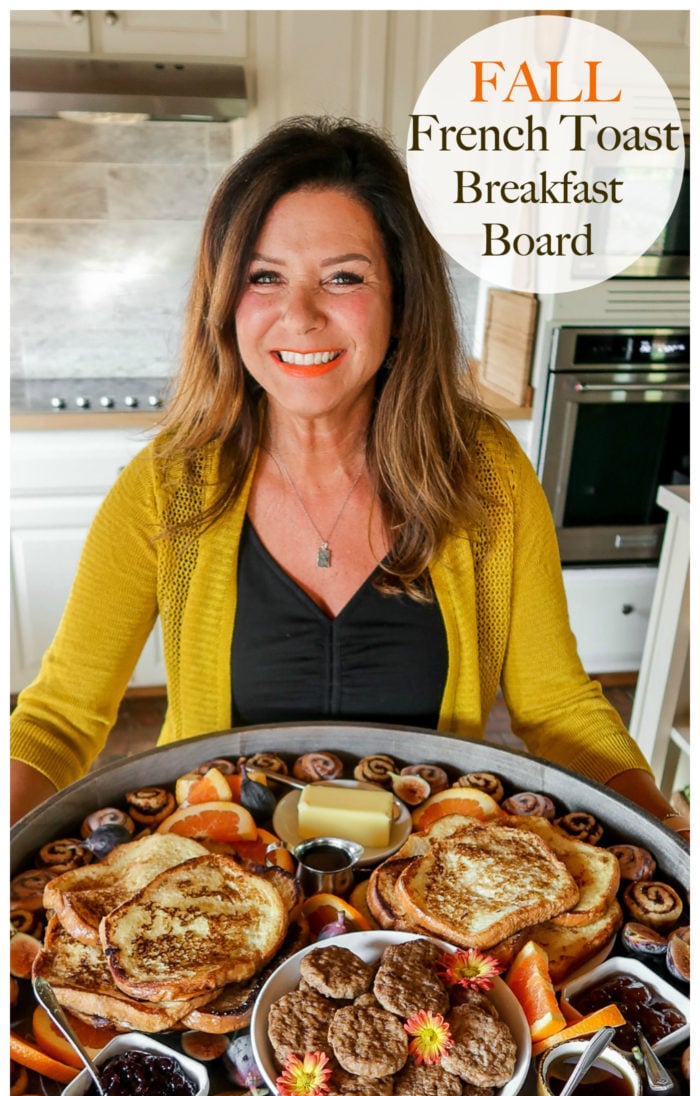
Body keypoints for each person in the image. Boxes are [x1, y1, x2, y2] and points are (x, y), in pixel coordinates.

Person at [9, 116, 688, 838]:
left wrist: (669, 839)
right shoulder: (167, 485)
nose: (299, 316)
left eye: (344, 277)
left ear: (401, 299)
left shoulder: (486, 475)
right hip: (216, 891)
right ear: (225, 302)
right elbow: (60, 716)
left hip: (433, 891)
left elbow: (557, 707)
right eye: (263, 277)